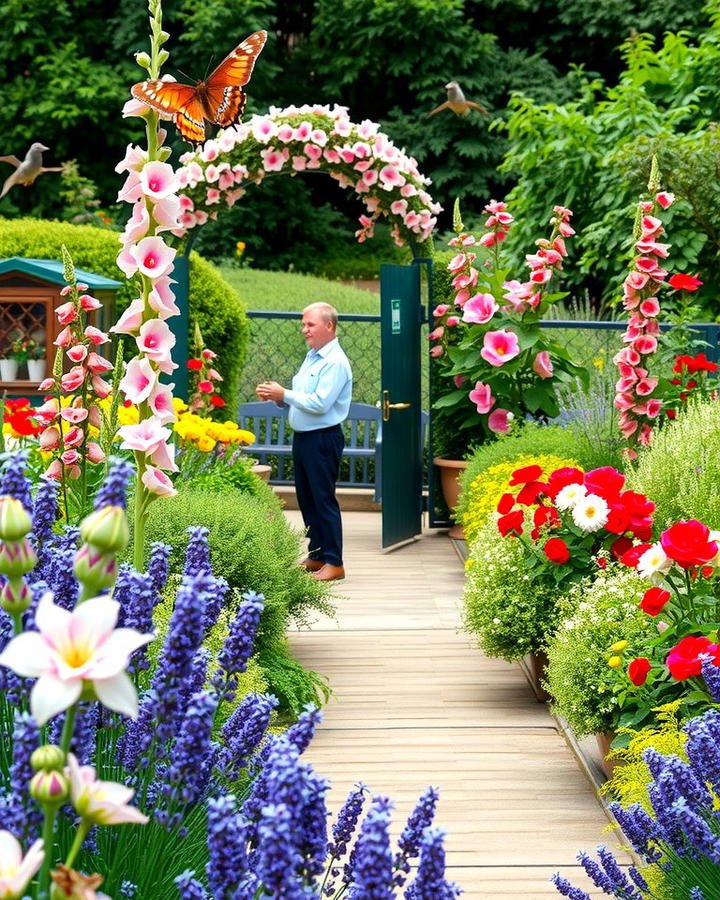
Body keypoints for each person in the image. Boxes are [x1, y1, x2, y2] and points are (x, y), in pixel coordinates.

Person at [255, 302, 352, 582]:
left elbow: (321, 404)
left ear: (329, 326)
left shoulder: (335, 362)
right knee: (307, 499)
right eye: (304, 324)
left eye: (310, 324)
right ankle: (317, 555)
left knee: (323, 499)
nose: (304, 329)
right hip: (305, 438)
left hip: (322, 439)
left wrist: (283, 393)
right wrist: (279, 398)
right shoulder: (313, 356)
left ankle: (335, 562)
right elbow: (304, 399)